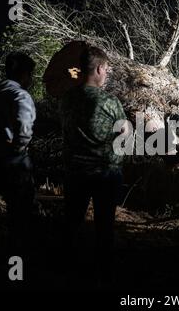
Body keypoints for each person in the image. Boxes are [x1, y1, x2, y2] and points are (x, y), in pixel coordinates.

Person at [60, 46, 127, 285]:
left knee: (72, 222)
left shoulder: (66, 98)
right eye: (107, 70)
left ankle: (66, 268)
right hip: (104, 174)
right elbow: (124, 133)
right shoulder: (110, 101)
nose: (107, 74)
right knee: (104, 227)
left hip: (75, 173)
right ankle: (104, 274)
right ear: (99, 69)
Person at [0, 52, 37, 253]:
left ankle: (10, 250)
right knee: (23, 211)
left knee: (12, 209)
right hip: (12, 163)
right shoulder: (20, 95)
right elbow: (24, 129)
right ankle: (21, 254)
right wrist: (18, 151)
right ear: (25, 74)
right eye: (30, 75)